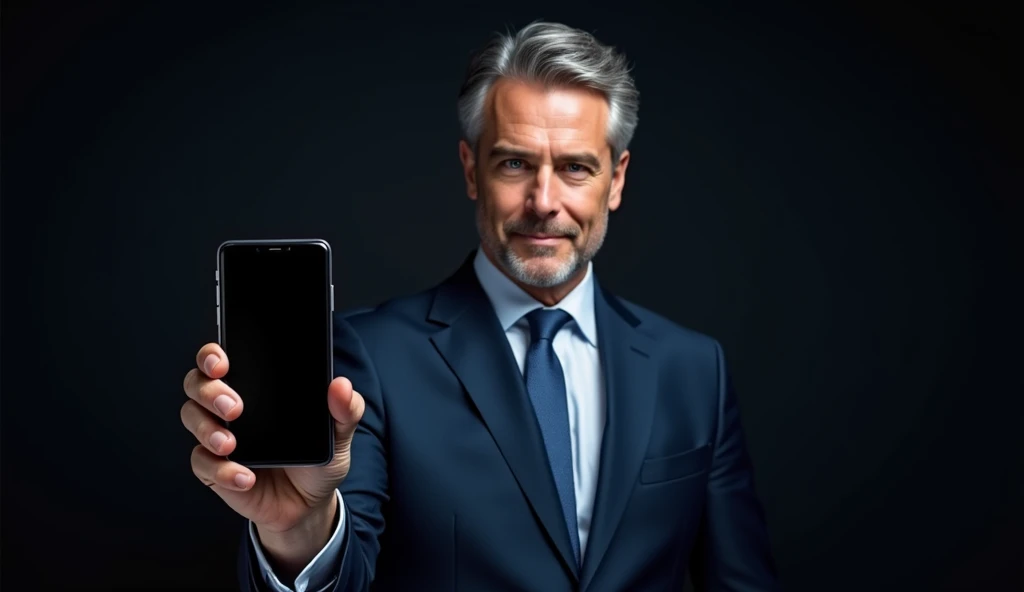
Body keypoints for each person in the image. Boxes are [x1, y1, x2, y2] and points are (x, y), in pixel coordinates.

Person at [181, 20, 780, 591]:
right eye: (515, 163)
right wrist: (298, 530)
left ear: (616, 180)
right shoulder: (372, 358)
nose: (543, 202)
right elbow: (349, 574)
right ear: (472, 170)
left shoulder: (696, 370)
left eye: (575, 168)